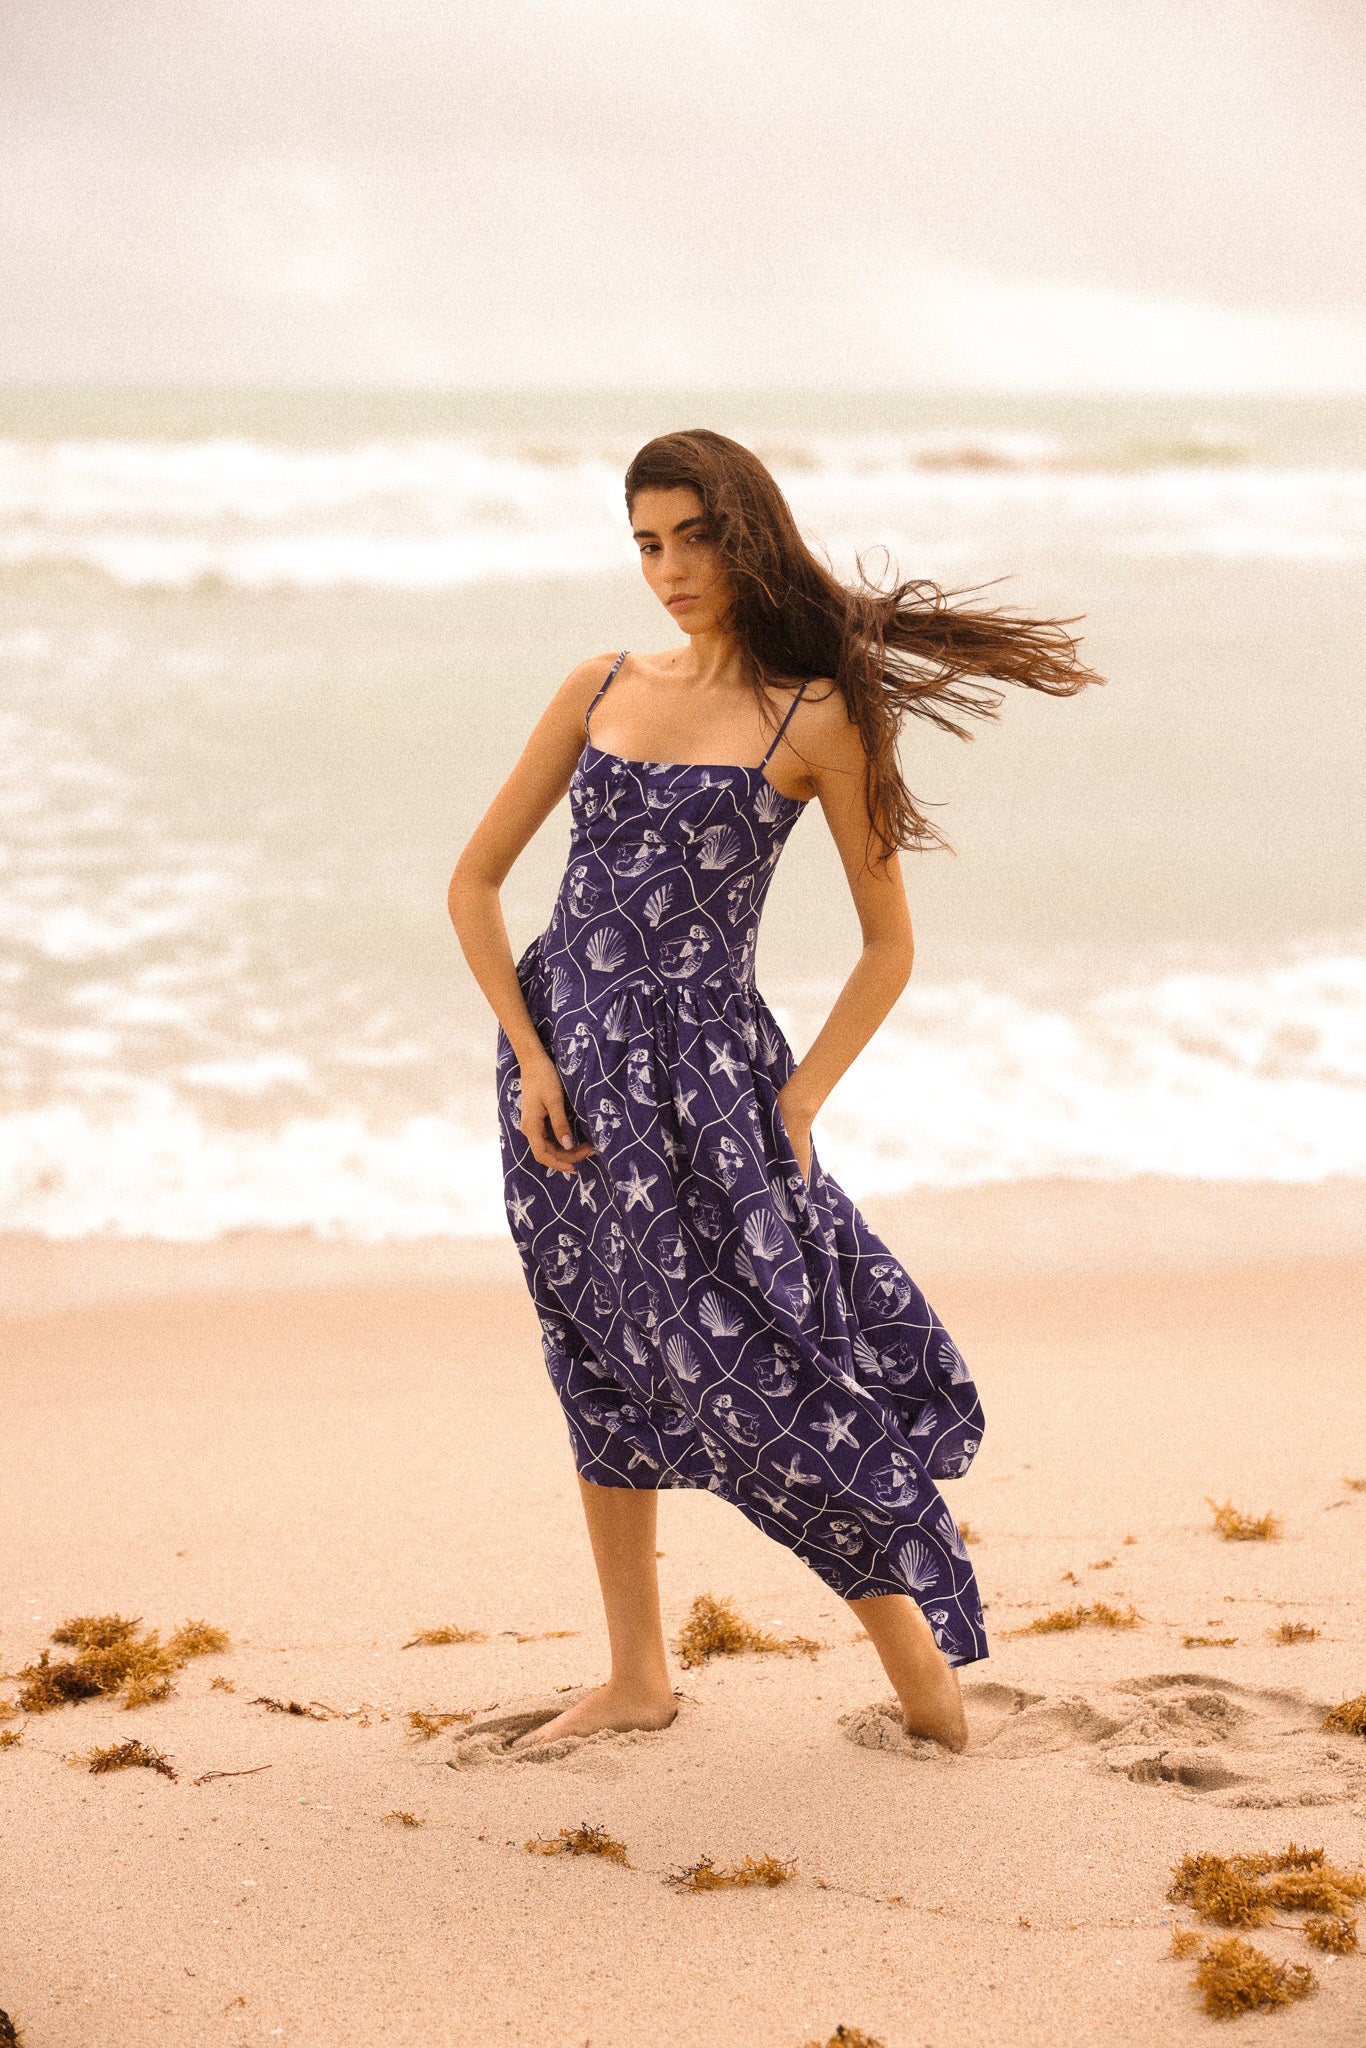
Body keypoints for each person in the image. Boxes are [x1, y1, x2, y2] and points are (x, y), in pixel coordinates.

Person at [449, 429, 1099, 1752]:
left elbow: (889, 946)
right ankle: (638, 1674)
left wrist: (796, 1103)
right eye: (645, 543)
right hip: (564, 1091)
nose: (668, 569)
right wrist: (526, 1054)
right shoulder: (595, 684)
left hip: (706, 1097)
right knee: (600, 1360)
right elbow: (473, 886)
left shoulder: (817, 715)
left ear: (747, 533)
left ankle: (917, 1662)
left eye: (693, 537)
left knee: (763, 1373)